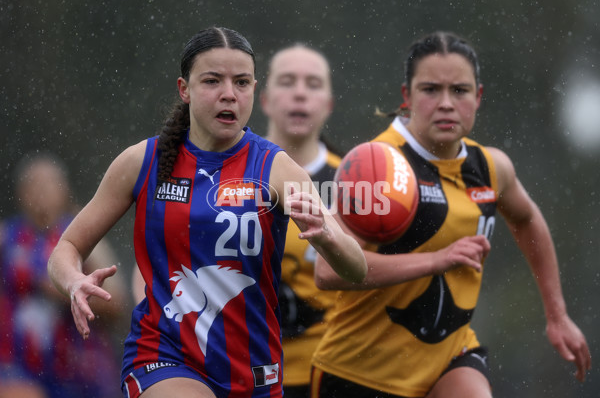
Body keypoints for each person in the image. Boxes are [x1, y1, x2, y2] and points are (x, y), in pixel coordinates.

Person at [47, 27, 367, 398]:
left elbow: (356, 268)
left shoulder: (277, 168)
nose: (229, 94)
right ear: (184, 89)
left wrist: (326, 235)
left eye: (242, 82)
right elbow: (67, 246)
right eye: (213, 81)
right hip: (163, 354)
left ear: (254, 90)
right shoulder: (141, 162)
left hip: (252, 367)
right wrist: (73, 282)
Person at [311, 31, 592, 398]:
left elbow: (526, 219)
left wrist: (557, 315)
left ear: (478, 97)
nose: (446, 103)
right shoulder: (375, 166)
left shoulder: (491, 168)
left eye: (459, 91)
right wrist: (436, 260)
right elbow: (328, 271)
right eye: (430, 90)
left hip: (450, 356)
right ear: (407, 97)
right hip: (361, 371)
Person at [0, 153, 126, 398]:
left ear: (64, 190)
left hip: (79, 369)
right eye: (33, 185)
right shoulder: (7, 238)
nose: (40, 193)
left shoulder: (86, 238)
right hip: (19, 368)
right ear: (20, 193)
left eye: (48, 185)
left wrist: (65, 289)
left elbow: (117, 305)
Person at [260, 44, 341, 398]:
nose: (299, 93)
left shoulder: (355, 181)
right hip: (234, 369)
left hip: (329, 372)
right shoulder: (222, 173)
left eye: (313, 83)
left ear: (329, 104)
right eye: (287, 81)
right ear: (264, 99)